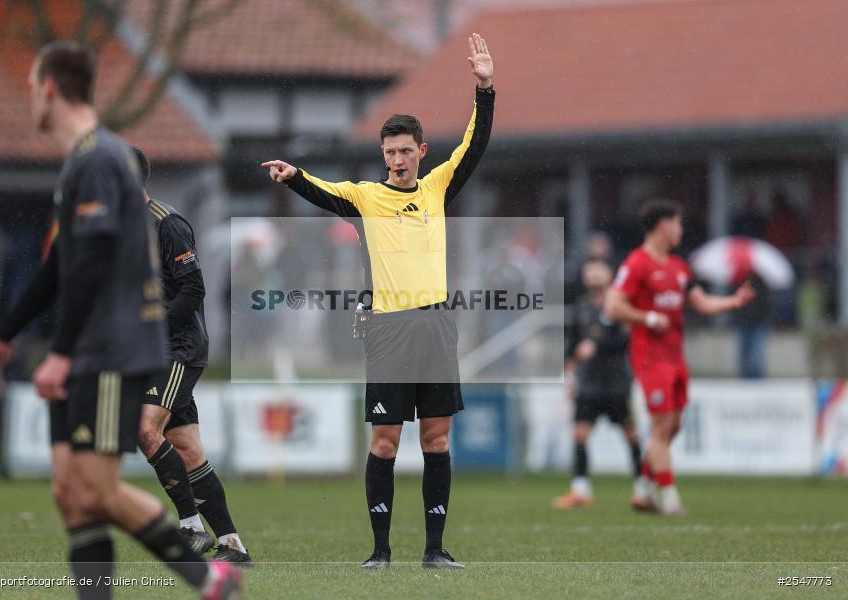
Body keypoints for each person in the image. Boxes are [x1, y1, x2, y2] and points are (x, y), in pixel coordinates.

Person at [0, 41, 241, 599]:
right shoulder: (82, 164)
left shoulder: (99, 160)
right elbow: (62, 264)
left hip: (114, 351)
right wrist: (3, 336)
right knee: (74, 492)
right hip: (93, 348)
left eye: (30, 88)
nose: (29, 100)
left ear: (49, 88)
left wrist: (61, 352)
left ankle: (208, 575)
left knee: (97, 487)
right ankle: (210, 562)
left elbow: (87, 265)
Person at [261, 33, 495, 569]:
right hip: (389, 329)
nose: (396, 160)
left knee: (436, 440)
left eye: (405, 151)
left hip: (436, 326)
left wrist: (485, 88)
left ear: (420, 152)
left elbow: (474, 146)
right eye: (389, 152)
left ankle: (436, 551)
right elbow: (324, 190)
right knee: (386, 443)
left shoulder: (436, 188)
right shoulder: (367, 197)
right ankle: (380, 552)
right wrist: (294, 177)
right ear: (382, 155)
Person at [131, 147, 251, 564]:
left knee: (146, 430)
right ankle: (233, 545)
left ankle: (189, 526)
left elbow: (193, 289)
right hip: (151, 349)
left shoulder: (168, 224)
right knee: (187, 451)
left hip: (179, 347)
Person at [605, 200, 754, 516]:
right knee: (661, 427)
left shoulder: (678, 266)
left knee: (673, 426)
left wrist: (734, 302)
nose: (681, 230)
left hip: (675, 357)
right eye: (678, 223)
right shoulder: (637, 263)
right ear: (662, 226)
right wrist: (646, 318)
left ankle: (642, 490)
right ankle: (670, 498)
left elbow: (700, 302)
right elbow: (612, 305)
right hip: (649, 358)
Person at [553, 257, 646, 509]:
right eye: (589, 271)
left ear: (609, 274)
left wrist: (598, 345)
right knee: (580, 434)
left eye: (598, 271)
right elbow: (572, 346)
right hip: (588, 385)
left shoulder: (620, 304)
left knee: (631, 435)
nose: (593, 275)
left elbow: (627, 341)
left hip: (617, 383)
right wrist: (569, 377)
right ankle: (580, 490)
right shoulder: (581, 307)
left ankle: (642, 489)